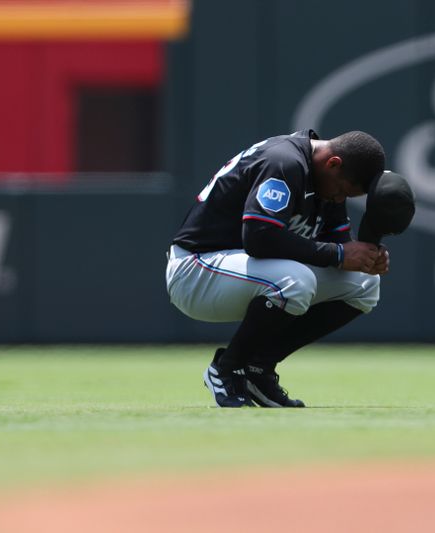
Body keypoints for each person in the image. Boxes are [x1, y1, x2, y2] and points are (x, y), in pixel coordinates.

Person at [166, 129, 389, 408]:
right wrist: (340, 254)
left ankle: (257, 368)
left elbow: (338, 246)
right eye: (342, 191)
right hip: (197, 268)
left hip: (244, 270)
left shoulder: (326, 177)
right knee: (296, 281)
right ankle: (226, 368)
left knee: (364, 284)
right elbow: (259, 238)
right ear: (333, 163)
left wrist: (367, 256)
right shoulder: (284, 162)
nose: (338, 199)